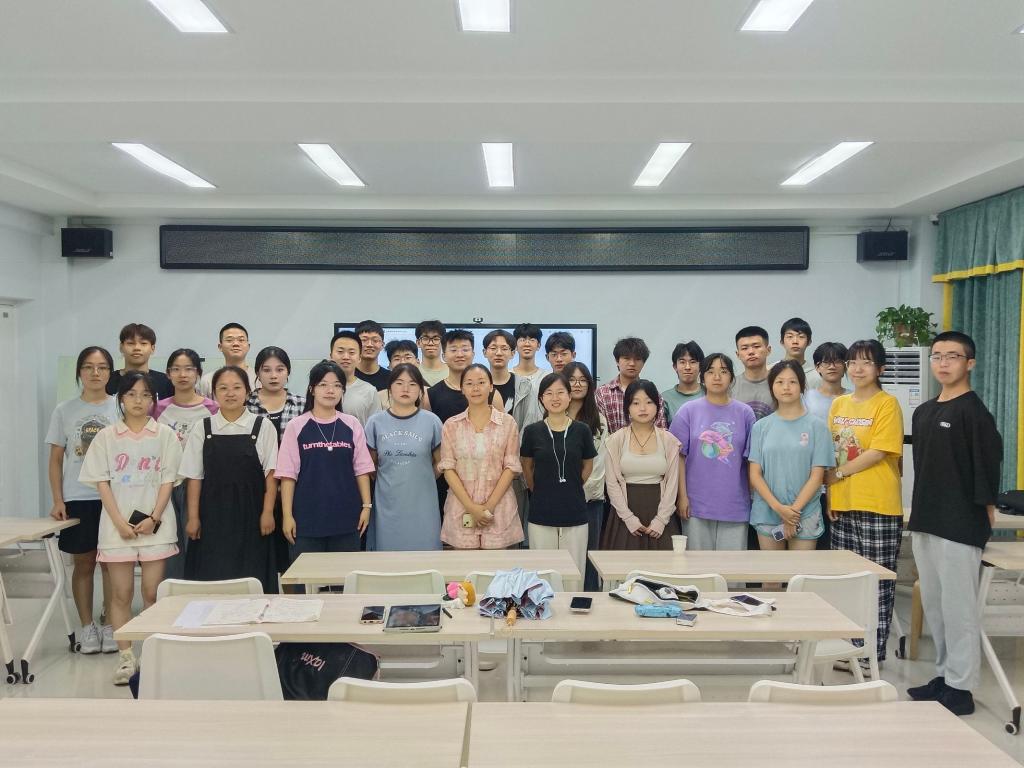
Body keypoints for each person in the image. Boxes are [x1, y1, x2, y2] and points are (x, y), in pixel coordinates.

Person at [906, 331, 1002, 716]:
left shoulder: (974, 413)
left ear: (969, 363)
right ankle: (945, 676)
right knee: (936, 605)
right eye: (937, 356)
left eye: (953, 356)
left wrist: (986, 510)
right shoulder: (924, 412)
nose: (943, 363)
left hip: (960, 523)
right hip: (926, 519)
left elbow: (987, 465)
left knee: (959, 608)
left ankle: (962, 689)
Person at [78, 372, 182, 685]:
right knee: (120, 594)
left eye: (146, 395)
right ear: (121, 398)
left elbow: (168, 480)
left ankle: (151, 654)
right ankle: (126, 658)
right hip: (116, 528)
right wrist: (119, 522)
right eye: (132, 394)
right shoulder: (106, 436)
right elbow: (102, 483)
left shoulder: (165, 434)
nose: (139, 401)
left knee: (151, 591)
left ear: (154, 399)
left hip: (156, 527)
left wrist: (154, 517)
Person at [826, 339, 904, 665]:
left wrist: (838, 474)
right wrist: (832, 494)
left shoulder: (887, 404)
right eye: (853, 362)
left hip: (878, 503)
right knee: (846, 582)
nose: (857, 369)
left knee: (877, 582)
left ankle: (871, 654)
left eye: (866, 362)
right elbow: (831, 451)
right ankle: (848, 648)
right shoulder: (839, 404)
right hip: (843, 502)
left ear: (880, 369)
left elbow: (878, 452)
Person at [45, 346, 119, 655]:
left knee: (112, 564)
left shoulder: (120, 407)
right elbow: (55, 459)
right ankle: (87, 626)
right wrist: (57, 499)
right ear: (79, 372)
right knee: (84, 562)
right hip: (78, 496)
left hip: (114, 498)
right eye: (88, 367)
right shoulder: (64, 410)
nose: (95, 373)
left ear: (110, 372)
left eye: (102, 367)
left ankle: (111, 623)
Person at [180, 366, 279, 592]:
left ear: (248, 392)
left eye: (237, 387)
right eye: (223, 388)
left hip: (252, 515)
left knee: (253, 577)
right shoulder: (203, 427)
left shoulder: (262, 426)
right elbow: (194, 477)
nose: (230, 393)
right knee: (212, 577)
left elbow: (271, 475)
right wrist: (193, 517)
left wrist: (267, 513)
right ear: (214, 393)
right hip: (212, 516)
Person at [276, 361, 374, 564]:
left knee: (344, 576)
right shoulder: (297, 426)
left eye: (337, 385)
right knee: (307, 578)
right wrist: (287, 515)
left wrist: (366, 506)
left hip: (347, 517)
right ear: (312, 389)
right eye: (323, 385)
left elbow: (362, 470)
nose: (330, 390)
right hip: (306, 519)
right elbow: (288, 475)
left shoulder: (352, 424)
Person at [748, 360, 834, 557]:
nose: (786, 387)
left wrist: (792, 513)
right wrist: (780, 509)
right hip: (768, 510)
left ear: (802, 386)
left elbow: (817, 477)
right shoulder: (760, 427)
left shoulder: (818, 427)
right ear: (771, 387)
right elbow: (755, 474)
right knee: (771, 574)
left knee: (801, 572)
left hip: (806, 512)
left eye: (792, 382)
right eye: (780, 382)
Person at [670, 353, 755, 551]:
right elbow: (678, 458)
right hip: (696, 504)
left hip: (734, 504)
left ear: (732, 378)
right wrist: (682, 497)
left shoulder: (745, 413)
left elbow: (751, 461)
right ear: (703, 377)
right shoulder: (688, 411)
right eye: (710, 372)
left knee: (733, 567)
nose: (717, 377)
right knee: (697, 566)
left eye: (723, 371)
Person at [437, 364, 522, 549]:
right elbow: (448, 469)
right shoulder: (451, 425)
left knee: (499, 566)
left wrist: (488, 507)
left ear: (491, 386)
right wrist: (472, 508)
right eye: (469, 383)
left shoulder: (507, 423)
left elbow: (511, 467)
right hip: (461, 509)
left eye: (481, 382)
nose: (475, 388)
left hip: (499, 509)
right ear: (462, 389)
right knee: (463, 567)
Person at [520, 373, 597, 573]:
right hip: (541, 511)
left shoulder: (582, 430)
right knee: (543, 573)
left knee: (574, 572)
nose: (555, 398)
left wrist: (573, 485)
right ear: (541, 399)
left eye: (560, 392)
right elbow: (527, 466)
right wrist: (539, 488)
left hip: (575, 511)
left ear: (569, 396)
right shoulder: (532, 431)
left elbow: (588, 465)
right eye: (549, 393)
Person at [152, 348, 218, 579]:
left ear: (198, 373)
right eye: (176, 369)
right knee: (169, 543)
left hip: (199, 484)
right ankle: (172, 591)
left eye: (189, 369)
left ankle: (198, 590)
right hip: (166, 484)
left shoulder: (213, 409)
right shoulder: (157, 409)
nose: (182, 375)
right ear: (168, 374)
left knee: (197, 541)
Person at [364, 364, 443, 551]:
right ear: (390, 388)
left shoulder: (432, 421)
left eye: (412, 384)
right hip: (387, 503)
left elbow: (441, 463)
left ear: (421, 390)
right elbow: (370, 466)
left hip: (423, 503)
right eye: (399, 383)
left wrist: (422, 477)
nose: (405, 389)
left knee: (425, 558)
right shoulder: (375, 422)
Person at [245, 346, 305, 577]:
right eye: (266, 370)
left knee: (292, 550)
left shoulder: (301, 404)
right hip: (256, 487)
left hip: (294, 487)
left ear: (288, 372)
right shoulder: (246, 403)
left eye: (279, 369)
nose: (273, 375)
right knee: (260, 550)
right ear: (257, 373)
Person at [601, 379, 682, 550]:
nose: (643, 408)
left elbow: (672, 483)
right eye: (636, 403)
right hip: (624, 513)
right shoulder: (615, 440)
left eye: (649, 402)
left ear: (658, 406)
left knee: (662, 565)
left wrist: (661, 519)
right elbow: (612, 484)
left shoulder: (669, 441)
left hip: (660, 511)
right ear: (627, 407)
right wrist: (628, 518)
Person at [563, 362, 608, 590]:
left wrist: (577, 492)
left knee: (589, 556)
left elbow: (598, 464)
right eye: (572, 380)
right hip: (559, 499)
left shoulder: (598, 420)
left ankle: (591, 599)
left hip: (589, 500)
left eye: (583, 380)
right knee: (563, 557)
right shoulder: (552, 416)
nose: (577, 384)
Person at [804, 341, 850, 551]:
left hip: (845, 475)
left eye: (838, 361)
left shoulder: (853, 397)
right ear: (817, 367)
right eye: (826, 362)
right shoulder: (807, 398)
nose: (832, 366)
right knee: (819, 542)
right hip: (814, 479)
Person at [428, 329, 503, 423]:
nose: (460, 355)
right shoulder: (431, 395)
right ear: (443, 356)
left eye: (465, 349)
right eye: (453, 350)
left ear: (473, 354)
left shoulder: (491, 393)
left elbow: (503, 427)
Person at [596, 336, 666, 434]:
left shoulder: (652, 393)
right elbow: (600, 432)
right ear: (617, 361)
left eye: (637, 359)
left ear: (643, 362)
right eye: (627, 358)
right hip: (611, 443)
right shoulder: (603, 393)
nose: (632, 363)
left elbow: (661, 430)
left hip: (648, 443)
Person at [105, 323, 173, 400]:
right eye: (130, 343)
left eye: (143, 343)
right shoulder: (107, 380)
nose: (137, 348)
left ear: (152, 348)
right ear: (121, 347)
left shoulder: (166, 382)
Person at [330, 330, 383, 426]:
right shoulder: (320, 388)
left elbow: (375, 428)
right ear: (331, 356)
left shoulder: (369, 391)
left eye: (351, 352)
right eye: (340, 352)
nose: (346, 357)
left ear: (359, 358)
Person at [199, 322, 256, 397]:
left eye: (241, 340)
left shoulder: (259, 378)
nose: (236, 344)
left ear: (248, 346)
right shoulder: (208, 380)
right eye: (229, 340)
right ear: (220, 347)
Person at [733, 326, 775, 421]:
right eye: (745, 348)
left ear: (768, 350)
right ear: (738, 354)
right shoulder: (730, 386)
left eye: (756, 346)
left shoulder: (781, 383)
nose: (751, 352)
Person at [378, 339, 432, 411]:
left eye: (408, 358)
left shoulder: (430, 393)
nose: (403, 362)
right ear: (390, 365)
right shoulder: (379, 397)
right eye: (397, 359)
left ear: (418, 362)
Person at [661, 340, 704, 424]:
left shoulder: (710, 393)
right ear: (675, 366)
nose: (687, 367)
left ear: (701, 366)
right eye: (682, 362)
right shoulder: (665, 399)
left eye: (693, 362)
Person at [780, 317, 821, 389]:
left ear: (809, 342)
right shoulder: (770, 371)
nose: (795, 341)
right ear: (782, 342)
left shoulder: (816, 377)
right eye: (790, 336)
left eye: (801, 337)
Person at [354, 319, 390, 391]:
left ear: (382, 345)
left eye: (375, 340)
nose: (369, 345)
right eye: (364, 340)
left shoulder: (391, 378)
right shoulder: (347, 375)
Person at [416, 320, 449, 387]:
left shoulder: (453, 371)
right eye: (425, 338)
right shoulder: (413, 372)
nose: (430, 343)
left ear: (443, 343)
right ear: (418, 343)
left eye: (436, 339)